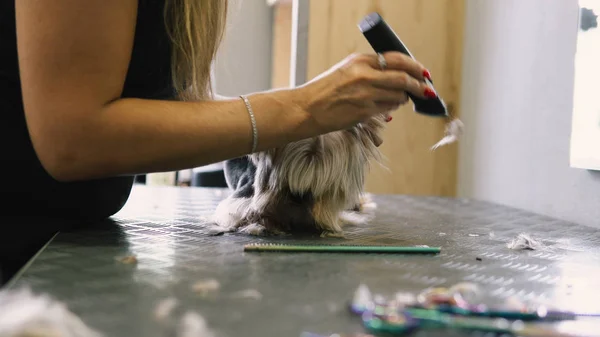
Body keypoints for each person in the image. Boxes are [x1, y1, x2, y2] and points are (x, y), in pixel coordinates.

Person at [0, 0, 437, 282]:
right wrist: (304, 109)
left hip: (65, 250)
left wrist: (290, 133)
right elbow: (75, 138)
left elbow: (161, 101)